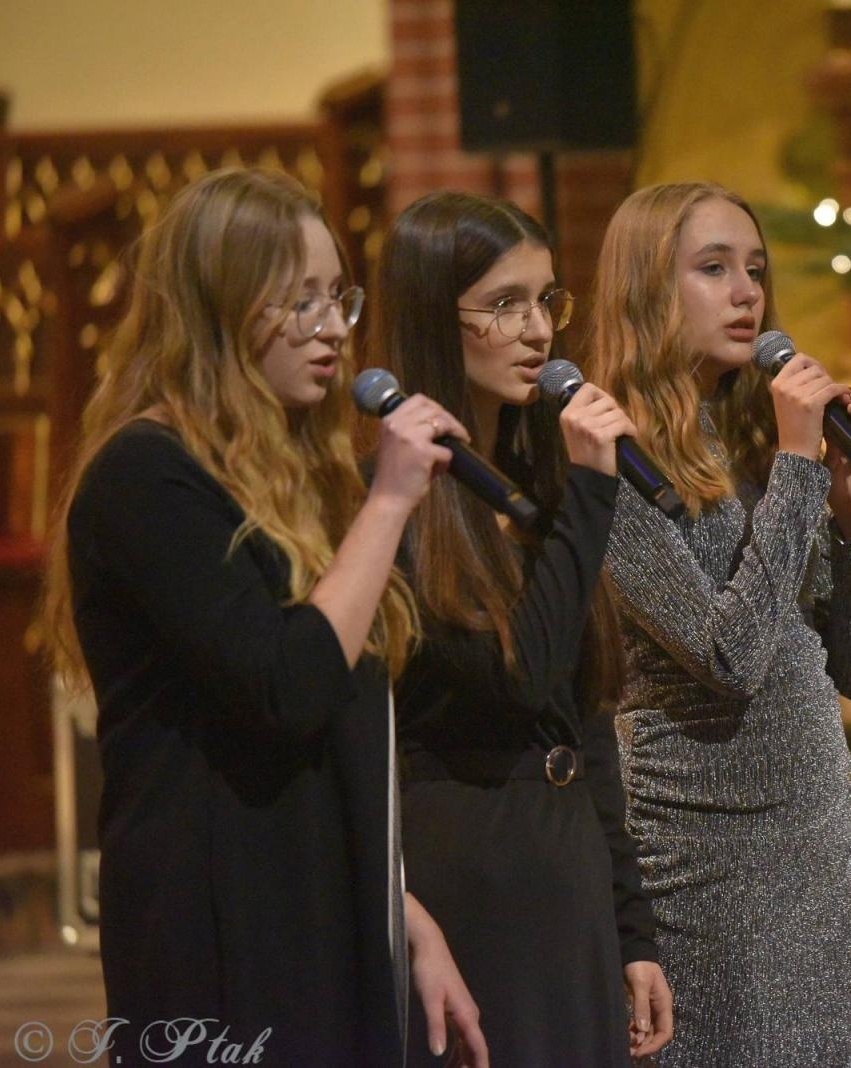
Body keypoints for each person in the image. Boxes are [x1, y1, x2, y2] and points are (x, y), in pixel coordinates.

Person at [42, 169, 488, 1066]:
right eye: (298, 302)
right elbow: (288, 685)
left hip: (321, 908)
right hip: (219, 936)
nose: (332, 329)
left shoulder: (303, 475)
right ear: (217, 307)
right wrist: (391, 501)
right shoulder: (146, 477)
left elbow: (334, 747)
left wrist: (403, 912)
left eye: (337, 296)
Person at [585, 181, 851, 1066]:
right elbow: (730, 654)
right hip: (702, 860)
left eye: (754, 270)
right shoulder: (611, 458)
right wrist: (801, 469)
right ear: (649, 288)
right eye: (713, 268)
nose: (746, 292)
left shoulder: (765, 442)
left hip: (810, 844)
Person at [371, 191, 672, 1066]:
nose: (537, 330)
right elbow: (519, 676)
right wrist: (590, 495)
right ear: (435, 318)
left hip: (566, 872)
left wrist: (632, 928)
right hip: (469, 881)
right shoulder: (397, 501)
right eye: (503, 305)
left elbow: (584, 716)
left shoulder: (538, 491)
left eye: (546, 301)